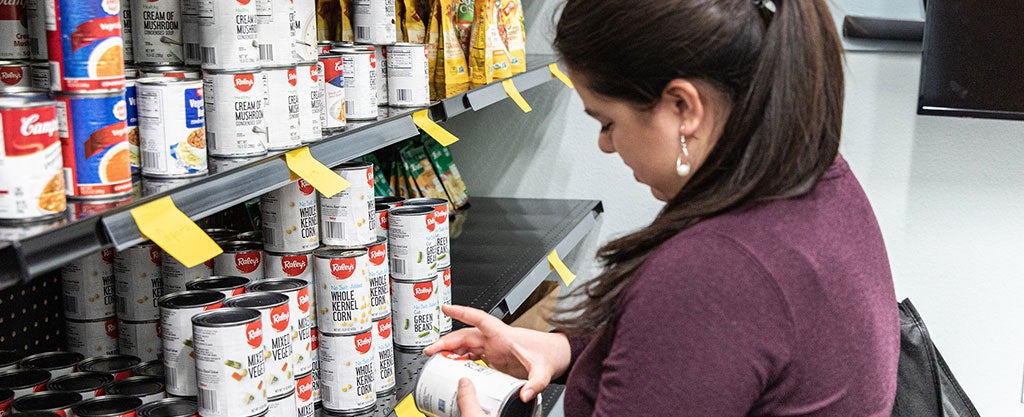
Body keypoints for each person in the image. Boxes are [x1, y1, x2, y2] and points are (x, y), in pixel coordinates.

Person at [424, 0, 900, 415]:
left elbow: (707, 319)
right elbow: (719, 355)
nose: (606, 145)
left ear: (683, 107)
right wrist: (565, 348)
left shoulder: (714, 270)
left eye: (608, 122)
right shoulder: (817, 174)